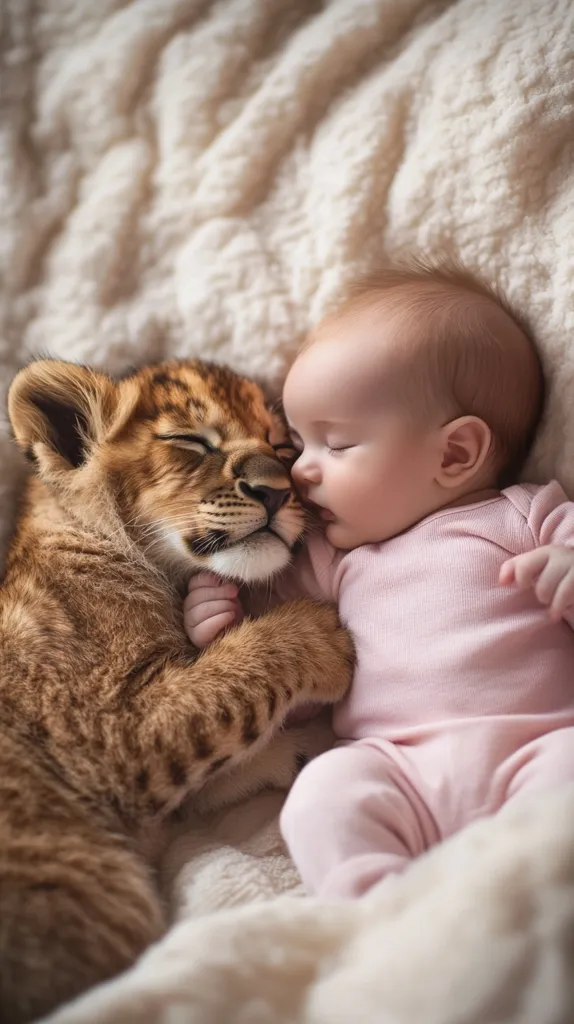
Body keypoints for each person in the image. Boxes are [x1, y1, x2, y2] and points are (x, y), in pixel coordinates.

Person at [184, 260, 574, 900]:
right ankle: (378, 909)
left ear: (454, 455)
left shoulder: (526, 515)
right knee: (322, 794)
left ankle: (527, 899)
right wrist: (228, 630)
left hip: (533, 754)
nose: (301, 473)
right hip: (398, 772)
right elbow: (306, 689)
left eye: (334, 445)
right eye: (299, 445)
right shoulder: (330, 565)